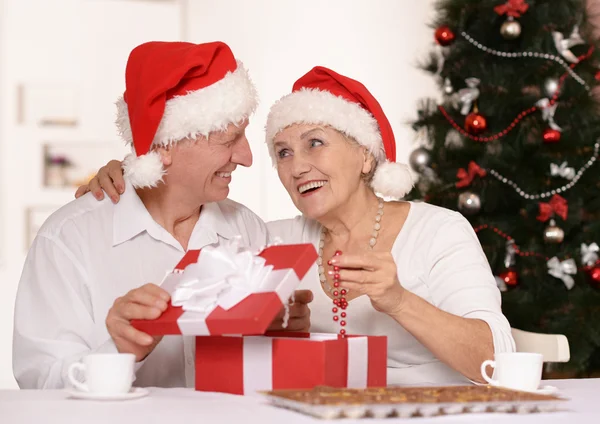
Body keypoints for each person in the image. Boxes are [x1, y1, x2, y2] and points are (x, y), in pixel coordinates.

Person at [79, 66, 516, 385]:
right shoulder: (271, 240)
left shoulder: (437, 231)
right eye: (283, 153)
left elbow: (497, 360)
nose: (298, 166)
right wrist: (131, 177)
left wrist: (399, 301)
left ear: (366, 155)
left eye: (316, 144)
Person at [13, 41, 312, 390]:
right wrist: (119, 350)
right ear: (165, 145)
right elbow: (41, 386)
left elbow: (265, 377)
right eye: (230, 139)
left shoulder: (246, 228)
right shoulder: (69, 239)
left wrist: (282, 329)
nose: (246, 157)